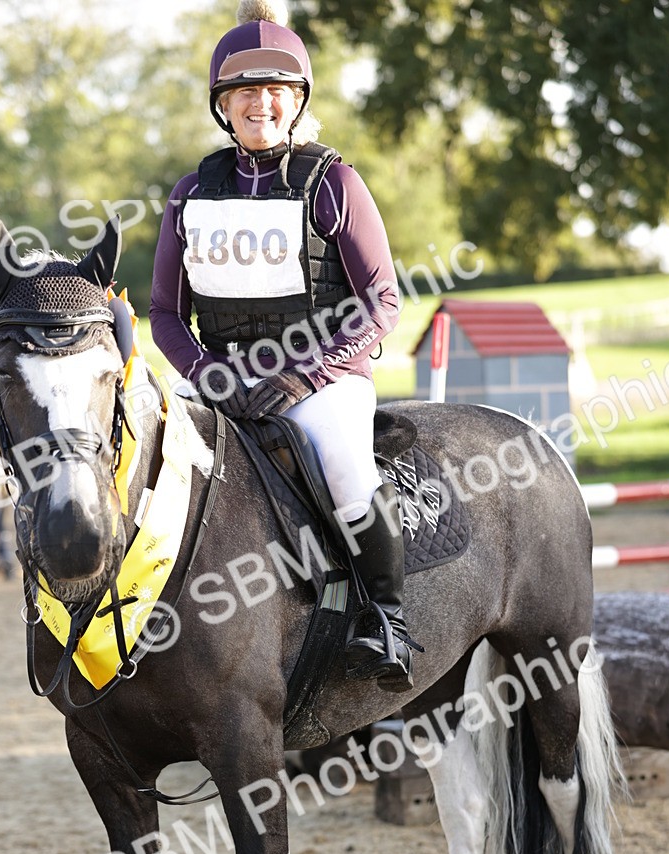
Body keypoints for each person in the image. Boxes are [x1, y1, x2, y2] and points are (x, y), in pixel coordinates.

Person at [150, 0, 416, 691]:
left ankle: (385, 619)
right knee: (145, 463)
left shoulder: (335, 182)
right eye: (243, 92)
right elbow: (164, 314)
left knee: (347, 471)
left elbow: (382, 299)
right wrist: (209, 376)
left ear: (296, 100)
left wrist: (307, 374)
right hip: (222, 381)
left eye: (274, 90)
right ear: (223, 104)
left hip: (322, 380)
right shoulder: (190, 195)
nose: (258, 103)